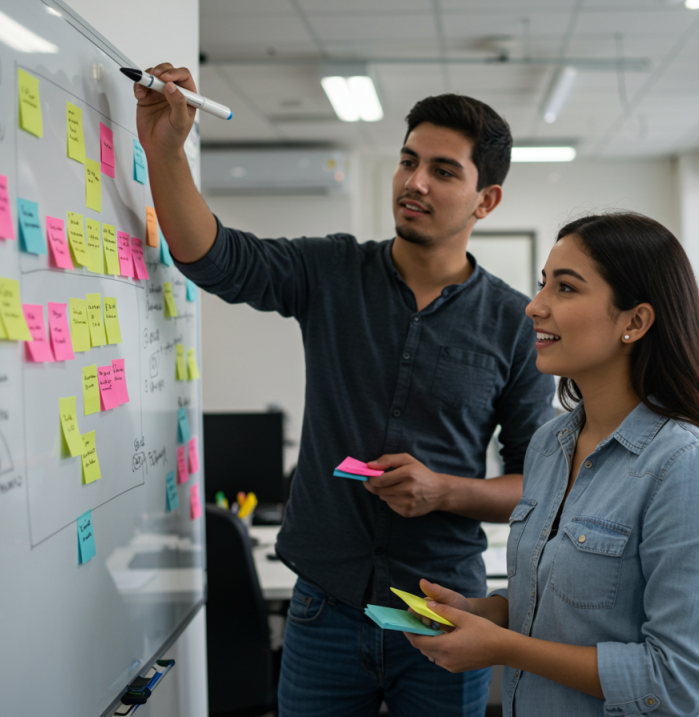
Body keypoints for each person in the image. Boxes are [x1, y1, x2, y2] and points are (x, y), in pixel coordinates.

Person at [133, 65, 554, 716]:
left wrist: (443, 490)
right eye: (408, 161)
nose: (415, 182)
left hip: (443, 611)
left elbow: (537, 487)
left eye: (443, 171)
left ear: (485, 200)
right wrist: (165, 151)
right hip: (324, 606)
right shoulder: (332, 269)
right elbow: (212, 256)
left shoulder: (514, 323)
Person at [405, 212, 699, 717]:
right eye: (543, 283)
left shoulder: (687, 467)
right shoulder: (550, 444)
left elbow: (676, 685)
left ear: (634, 322)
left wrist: (503, 648)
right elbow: (559, 604)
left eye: (566, 288)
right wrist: (483, 612)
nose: (534, 306)